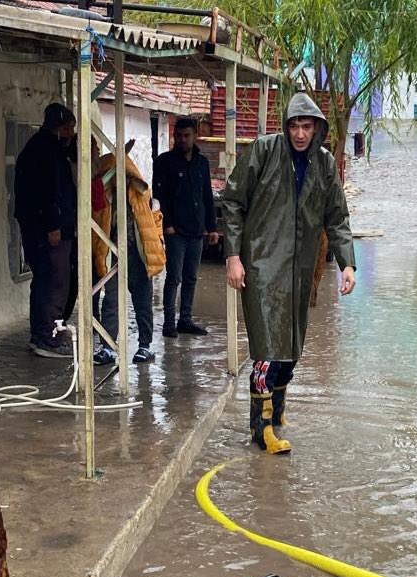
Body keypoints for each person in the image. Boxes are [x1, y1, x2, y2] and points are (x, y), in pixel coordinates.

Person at [219, 92, 356, 455]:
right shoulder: (264, 152)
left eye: (306, 126)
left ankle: (275, 416)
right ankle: (261, 428)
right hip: (262, 267)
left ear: (317, 128)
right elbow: (232, 201)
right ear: (286, 126)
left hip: (300, 271)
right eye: (294, 125)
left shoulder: (324, 165)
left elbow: (337, 217)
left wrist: (348, 264)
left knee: (290, 351)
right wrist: (233, 255)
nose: (299, 133)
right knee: (267, 350)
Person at [14, 103, 78, 358]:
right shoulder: (43, 151)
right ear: (60, 127)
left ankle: (47, 332)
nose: (72, 133)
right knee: (53, 280)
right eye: (69, 128)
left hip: (47, 227)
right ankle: (46, 337)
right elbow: (47, 193)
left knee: (51, 280)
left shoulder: (48, 147)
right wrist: (53, 226)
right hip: (47, 230)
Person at [90, 152, 165, 365]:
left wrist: (157, 249)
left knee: (142, 301)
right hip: (113, 253)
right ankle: (107, 346)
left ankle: (144, 346)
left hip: (138, 254)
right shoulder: (104, 196)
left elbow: (153, 223)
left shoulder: (142, 195)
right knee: (111, 300)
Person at [152, 118, 219, 338]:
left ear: (195, 135)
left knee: (191, 277)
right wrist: (167, 225)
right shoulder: (165, 162)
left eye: (186, 136)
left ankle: (185, 319)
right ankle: (169, 323)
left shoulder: (201, 162)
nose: (182, 140)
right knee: (174, 278)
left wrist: (212, 228)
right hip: (176, 231)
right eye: (178, 136)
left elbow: (207, 196)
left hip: (197, 230)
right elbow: (158, 196)